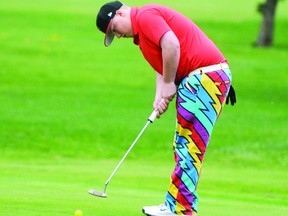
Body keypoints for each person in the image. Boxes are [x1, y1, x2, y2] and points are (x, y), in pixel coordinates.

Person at [96, 1, 236, 215]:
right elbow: (163, 64)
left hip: (203, 77)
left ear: (120, 13)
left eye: (114, 29)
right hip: (202, 79)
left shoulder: (145, 16)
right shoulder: (141, 36)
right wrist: (159, 96)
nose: (119, 36)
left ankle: (180, 209)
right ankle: (175, 205)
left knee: (189, 145)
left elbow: (171, 44)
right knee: (183, 144)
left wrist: (171, 83)